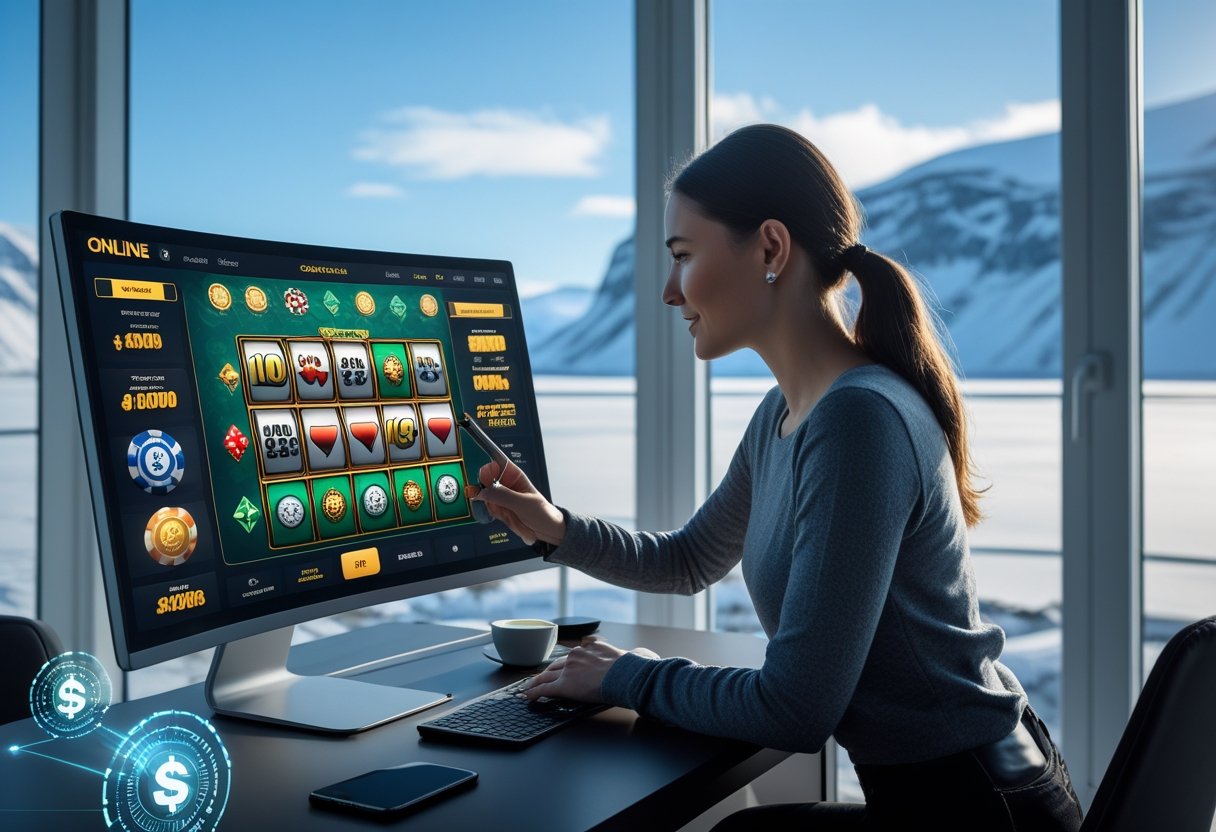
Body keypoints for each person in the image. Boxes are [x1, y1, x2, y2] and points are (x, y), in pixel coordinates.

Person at [473, 124, 1084, 831]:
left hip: (980, 809)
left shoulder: (859, 421)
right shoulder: (789, 414)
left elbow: (796, 707)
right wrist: (556, 528)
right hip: (948, 793)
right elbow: (691, 558)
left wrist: (625, 676)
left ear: (770, 247)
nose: (670, 292)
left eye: (683, 256)